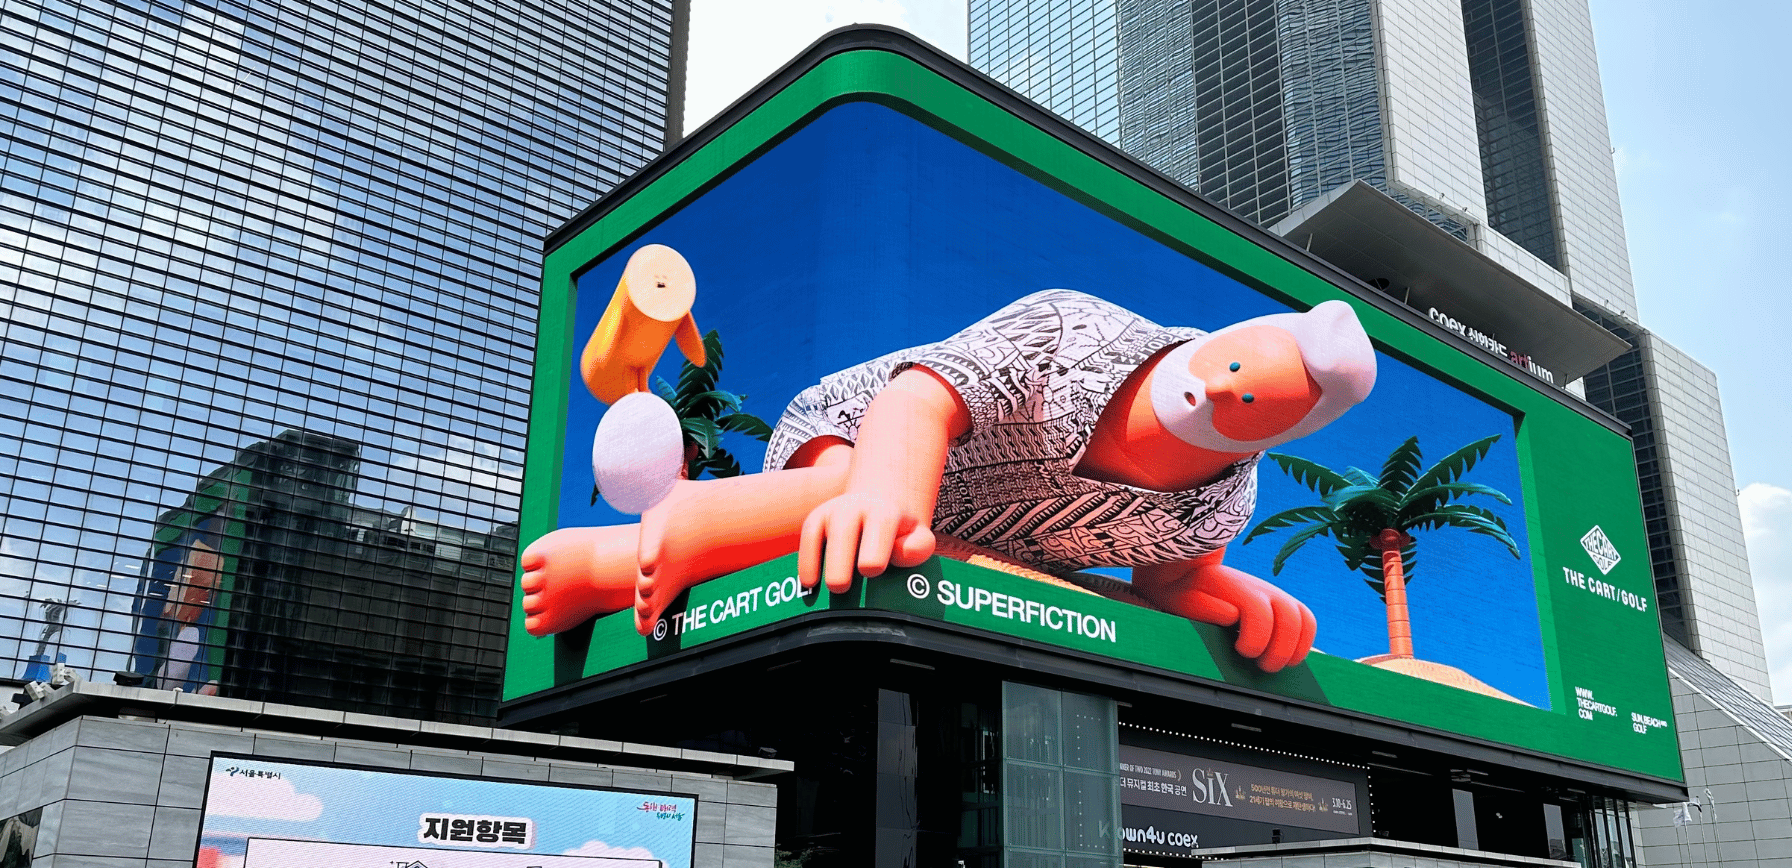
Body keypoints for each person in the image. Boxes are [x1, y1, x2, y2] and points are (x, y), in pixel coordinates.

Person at [524, 255, 1379, 675]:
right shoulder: (1071, 328)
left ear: (1271, 435)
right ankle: (616, 557)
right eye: (1225, 372)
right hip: (858, 429)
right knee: (843, 492)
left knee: (878, 520)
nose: (1210, 397)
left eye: (1245, 406)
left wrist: (1229, 595)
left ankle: (693, 533)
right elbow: (920, 401)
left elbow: (1166, 577)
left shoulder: (1224, 499)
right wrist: (891, 490)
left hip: (963, 527)